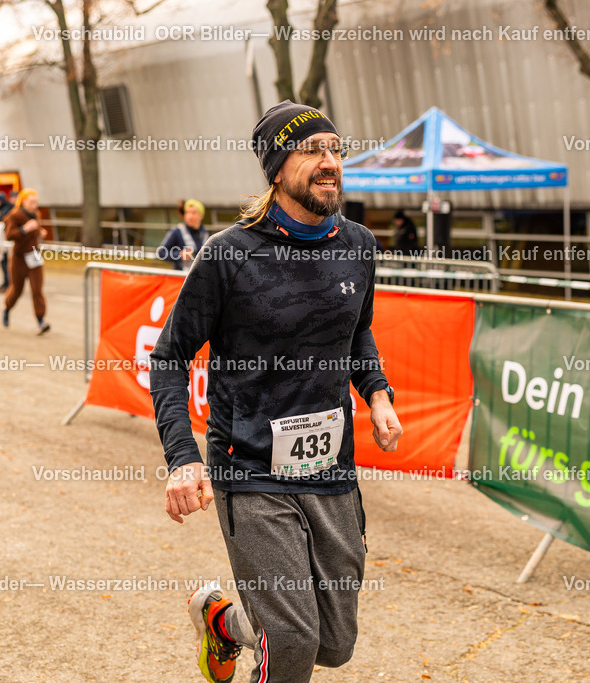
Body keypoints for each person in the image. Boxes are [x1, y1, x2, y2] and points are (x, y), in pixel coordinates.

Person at [150, 100, 403, 683]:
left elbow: (356, 330)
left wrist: (378, 393)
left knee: (333, 645)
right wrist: (183, 459)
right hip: (251, 468)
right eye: (313, 150)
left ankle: (223, 622)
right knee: (290, 643)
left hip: (330, 469)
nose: (329, 161)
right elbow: (170, 358)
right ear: (276, 168)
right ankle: (264, 633)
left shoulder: (359, 246)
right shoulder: (229, 256)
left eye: (336, 149)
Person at [2, 188, 49, 334]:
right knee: (17, 289)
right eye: (32, 202)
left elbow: (36, 229)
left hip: (34, 257)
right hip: (19, 259)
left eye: (36, 202)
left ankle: (41, 321)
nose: (35, 205)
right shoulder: (15, 215)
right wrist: (24, 229)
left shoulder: (36, 214)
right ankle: (7, 308)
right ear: (23, 201)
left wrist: (40, 232)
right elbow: (9, 235)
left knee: (37, 290)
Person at [159, 199, 208, 271]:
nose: (190, 216)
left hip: (200, 278)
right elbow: (161, 252)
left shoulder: (205, 233)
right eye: (187, 213)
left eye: (194, 213)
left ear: (201, 215)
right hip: (181, 278)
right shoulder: (176, 232)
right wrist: (179, 255)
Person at [0, 191, 14, 292]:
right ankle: (6, 282)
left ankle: (8, 283)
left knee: (6, 261)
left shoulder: (8, 209)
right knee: (4, 261)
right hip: (4, 239)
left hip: (7, 240)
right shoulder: (4, 209)